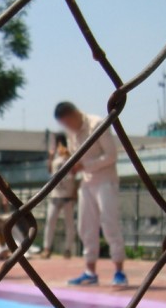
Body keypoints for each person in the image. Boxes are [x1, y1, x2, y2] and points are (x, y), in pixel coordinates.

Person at [54, 102, 127, 286]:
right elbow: (76, 156)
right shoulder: (71, 134)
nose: (67, 127)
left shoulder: (97, 124)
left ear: (74, 114)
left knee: (109, 223)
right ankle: (90, 271)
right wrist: (71, 164)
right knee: (86, 225)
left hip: (105, 180)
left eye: (67, 122)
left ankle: (119, 271)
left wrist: (86, 165)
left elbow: (111, 155)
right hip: (87, 182)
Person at [40, 133, 77, 259]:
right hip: (55, 193)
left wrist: (75, 191)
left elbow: (75, 171)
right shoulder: (54, 155)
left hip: (68, 193)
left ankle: (68, 249)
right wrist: (50, 156)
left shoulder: (70, 153)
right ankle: (47, 248)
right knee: (50, 221)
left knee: (69, 223)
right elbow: (49, 170)